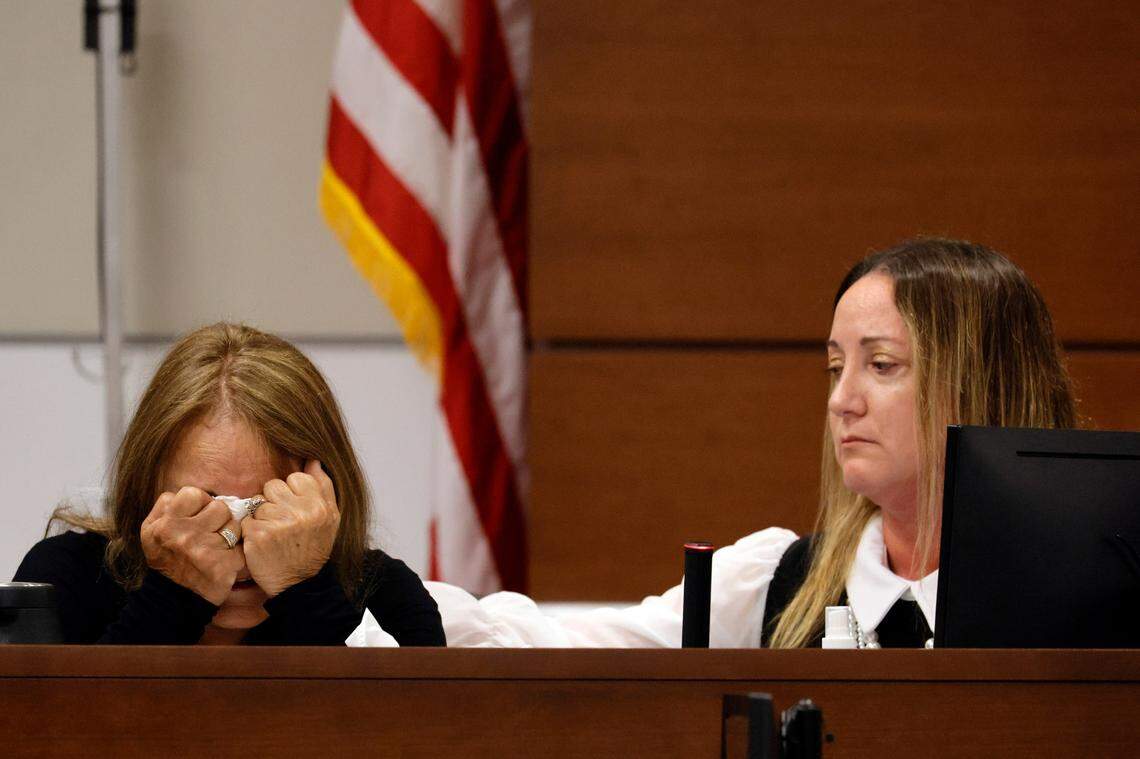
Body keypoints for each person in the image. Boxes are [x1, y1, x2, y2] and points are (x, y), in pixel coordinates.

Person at [388, 237, 1076, 649]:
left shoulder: (1084, 596)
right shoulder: (777, 581)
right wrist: (366, 586)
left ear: (982, 382)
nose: (843, 399)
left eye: (883, 365)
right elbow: (566, 646)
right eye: (836, 368)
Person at [14, 323, 445, 646]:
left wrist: (304, 591)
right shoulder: (60, 582)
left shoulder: (387, 597)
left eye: (268, 508)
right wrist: (171, 597)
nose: (236, 544)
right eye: (204, 507)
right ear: (147, 492)